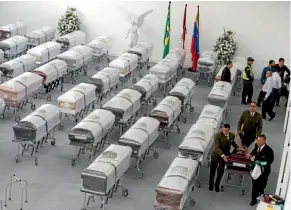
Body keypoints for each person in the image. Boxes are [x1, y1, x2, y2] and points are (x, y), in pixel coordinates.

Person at [209, 124, 239, 192]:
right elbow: (217, 148)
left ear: (229, 130)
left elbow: (232, 143)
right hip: (216, 155)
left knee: (220, 171)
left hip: (225, 155)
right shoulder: (217, 135)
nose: (225, 132)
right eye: (223, 131)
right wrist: (223, 156)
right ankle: (211, 184)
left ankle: (217, 185)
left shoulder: (232, 135)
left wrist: (237, 148)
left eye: (226, 131)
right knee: (212, 171)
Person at [247, 134, 274, 206]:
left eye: (259, 140)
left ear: (263, 141)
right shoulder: (256, 146)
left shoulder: (269, 150)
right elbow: (254, 152)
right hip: (255, 170)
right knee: (254, 186)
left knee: (261, 187)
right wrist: (251, 154)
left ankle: (261, 200)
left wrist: (261, 163)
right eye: (257, 140)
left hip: (263, 172)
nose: (257, 141)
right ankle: (253, 200)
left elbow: (270, 161)